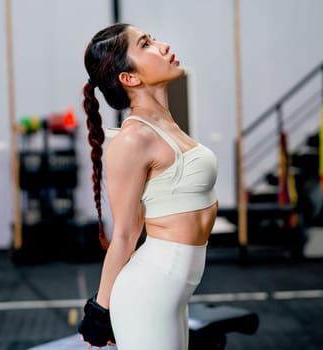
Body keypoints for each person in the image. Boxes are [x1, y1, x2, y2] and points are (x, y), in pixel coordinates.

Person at [78, 23, 218, 350]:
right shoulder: (132, 139)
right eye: (146, 44)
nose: (164, 45)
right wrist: (101, 308)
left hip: (173, 290)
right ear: (130, 78)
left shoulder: (167, 126)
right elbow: (126, 232)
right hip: (149, 292)